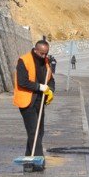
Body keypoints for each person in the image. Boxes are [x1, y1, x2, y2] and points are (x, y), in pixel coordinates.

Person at [14, 39, 55, 168]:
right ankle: (39, 164)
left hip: (39, 102)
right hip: (27, 102)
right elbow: (22, 82)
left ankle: (28, 164)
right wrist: (39, 87)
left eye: (46, 54)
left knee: (39, 131)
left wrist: (50, 91)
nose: (44, 56)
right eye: (42, 53)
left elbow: (51, 79)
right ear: (35, 50)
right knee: (33, 132)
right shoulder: (24, 60)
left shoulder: (46, 63)